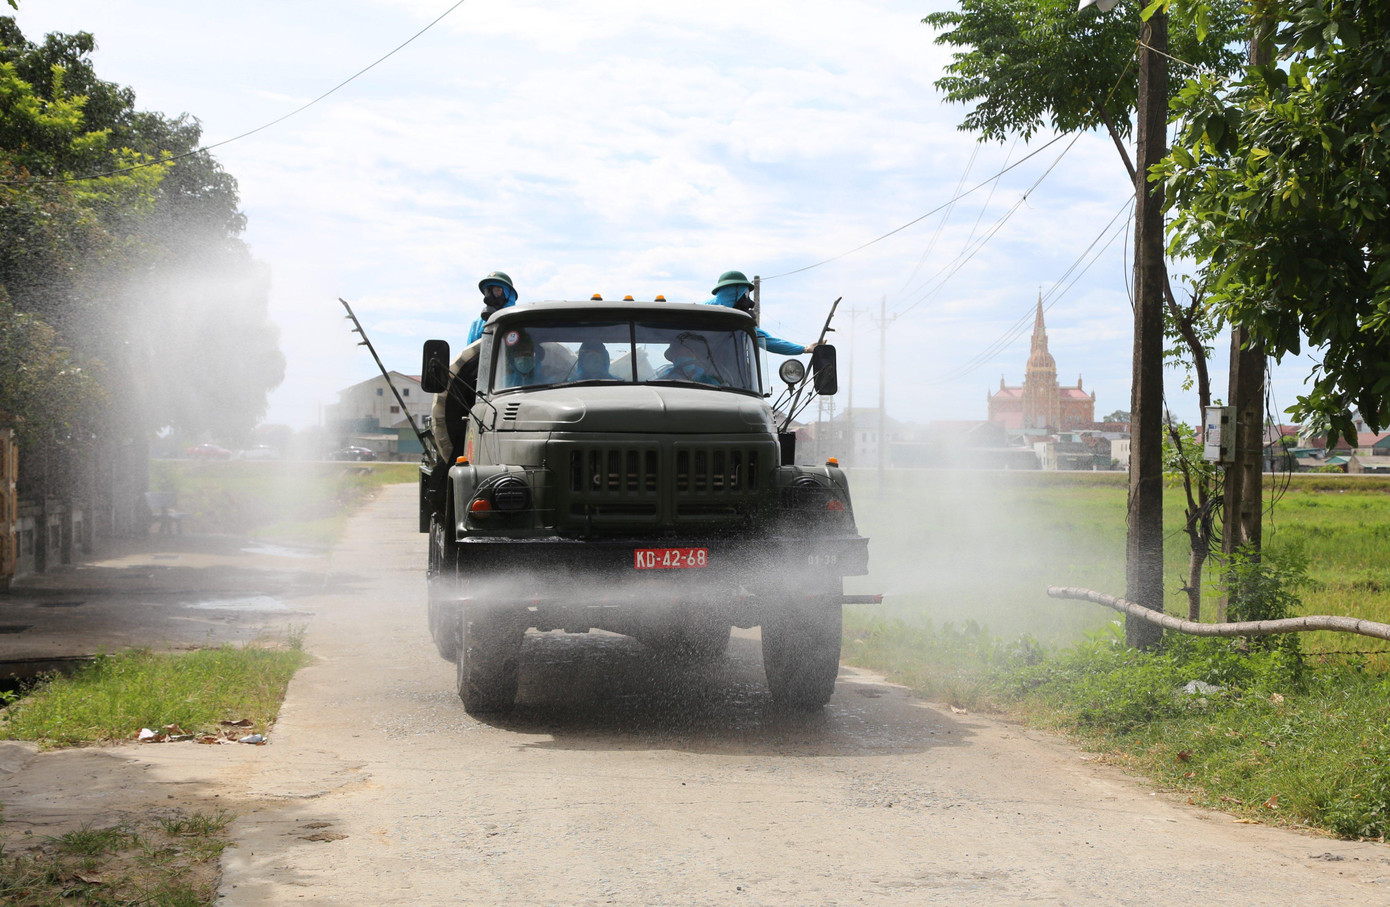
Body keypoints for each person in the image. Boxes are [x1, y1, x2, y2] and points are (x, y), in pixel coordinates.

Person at [702, 270, 818, 356]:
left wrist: (804, 348)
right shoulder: (698, 314)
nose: (748, 301)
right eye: (745, 294)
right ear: (734, 291)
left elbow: (768, 341)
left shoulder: (738, 323)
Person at [466, 271, 517, 344]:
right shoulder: (478, 324)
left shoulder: (517, 322)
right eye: (487, 291)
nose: (490, 296)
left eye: (497, 290)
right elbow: (469, 353)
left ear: (508, 295)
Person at [656, 333, 723, 386]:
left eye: (686, 354)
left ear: (695, 355)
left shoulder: (709, 381)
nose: (679, 357)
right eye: (676, 354)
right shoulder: (664, 380)